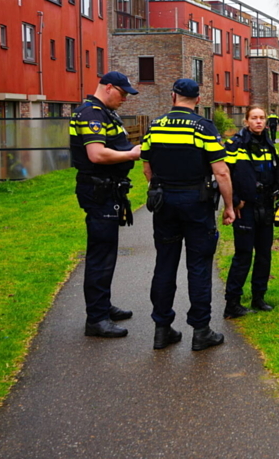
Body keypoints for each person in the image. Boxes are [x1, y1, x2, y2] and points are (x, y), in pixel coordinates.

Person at [142, 79, 235, 351]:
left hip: (164, 203)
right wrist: (228, 206)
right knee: (198, 265)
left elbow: (147, 167)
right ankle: (201, 330)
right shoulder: (204, 128)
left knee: (165, 264)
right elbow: (221, 172)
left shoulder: (155, 126)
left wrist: (159, 187)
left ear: (173, 96)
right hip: (196, 202)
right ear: (197, 99)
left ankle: (162, 329)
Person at [69, 71, 142, 338]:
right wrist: (132, 153)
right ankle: (96, 319)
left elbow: (115, 143)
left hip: (107, 190)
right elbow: (97, 154)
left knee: (107, 251)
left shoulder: (104, 112)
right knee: (101, 254)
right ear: (108, 87)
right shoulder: (92, 114)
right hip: (99, 190)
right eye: (122, 93)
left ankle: (102, 306)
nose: (124, 99)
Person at [223, 106, 279, 318]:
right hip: (245, 207)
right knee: (243, 255)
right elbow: (224, 174)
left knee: (264, 254)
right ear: (246, 121)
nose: (258, 122)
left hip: (266, 205)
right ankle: (232, 303)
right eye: (254, 118)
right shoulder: (235, 144)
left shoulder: (268, 143)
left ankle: (259, 297)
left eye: (261, 118)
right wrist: (233, 201)